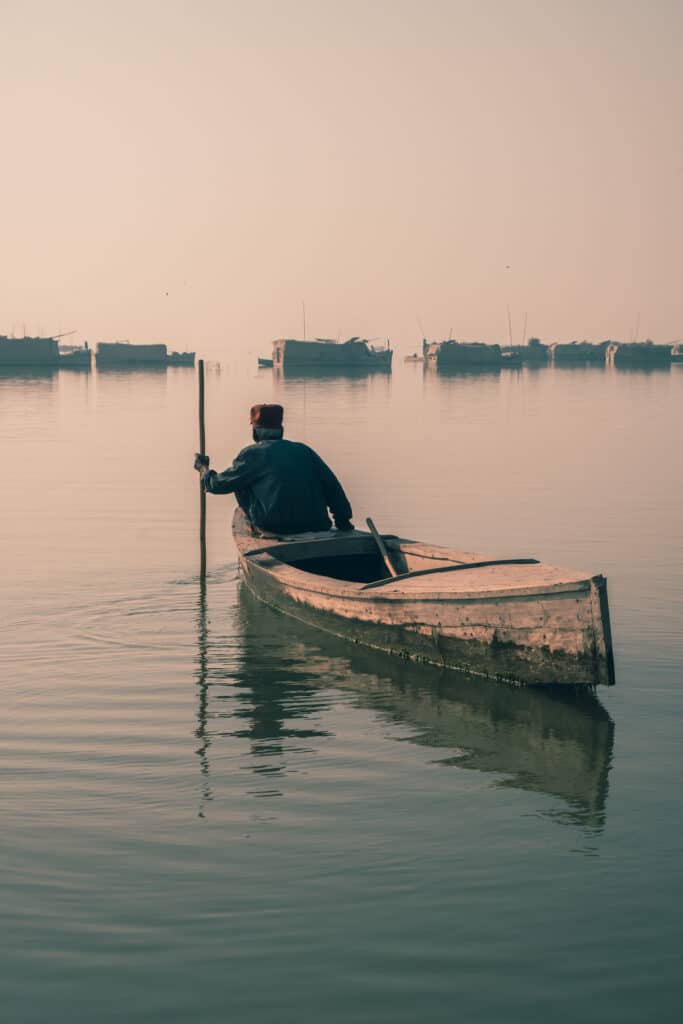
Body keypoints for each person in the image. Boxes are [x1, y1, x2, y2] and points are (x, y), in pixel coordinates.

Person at [194, 403, 354, 535]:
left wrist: (203, 469)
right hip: (317, 524)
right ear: (281, 430)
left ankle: (257, 531)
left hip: (274, 527)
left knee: (240, 483)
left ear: (255, 431)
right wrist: (343, 521)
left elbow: (217, 485)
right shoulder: (304, 450)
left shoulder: (252, 454)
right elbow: (333, 487)